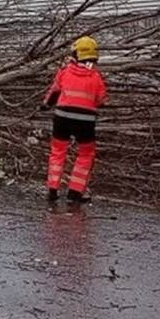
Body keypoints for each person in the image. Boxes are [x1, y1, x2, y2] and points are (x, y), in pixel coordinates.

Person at [42, 36, 108, 204]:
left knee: (57, 152)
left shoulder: (65, 71)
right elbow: (101, 100)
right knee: (85, 154)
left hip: (62, 117)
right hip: (85, 121)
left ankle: (52, 190)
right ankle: (75, 193)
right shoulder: (96, 77)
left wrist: (46, 105)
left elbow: (54, 91)